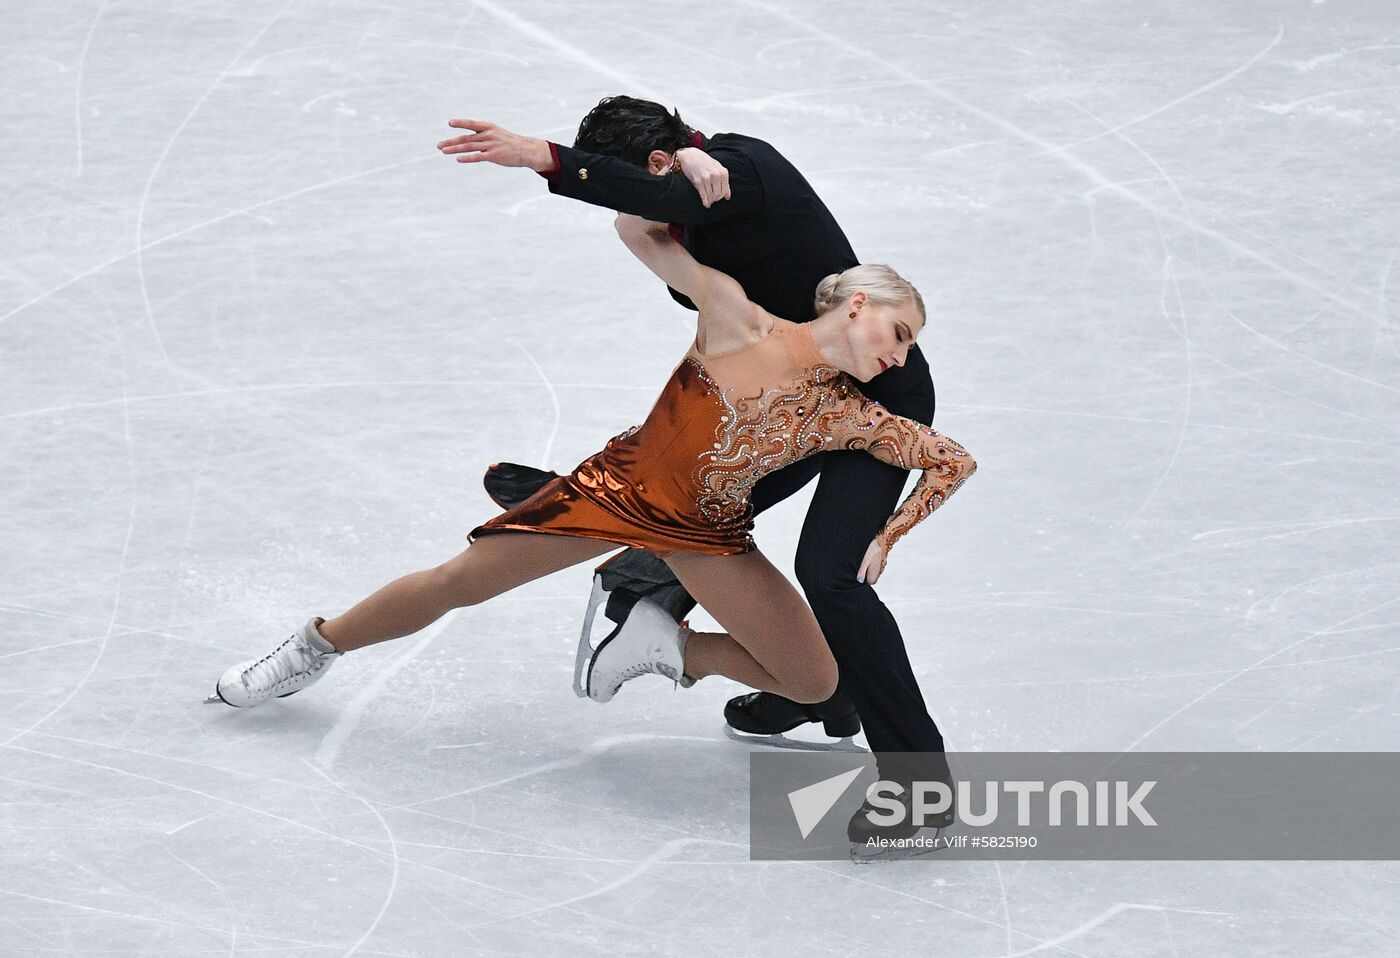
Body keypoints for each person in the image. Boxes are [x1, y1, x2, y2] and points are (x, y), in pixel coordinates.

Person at [207, 213, 977, 803]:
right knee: (457, 583)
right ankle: (313, 647)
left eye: (908, 349)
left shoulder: (851, 416)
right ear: (859, 303)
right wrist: (680, 171)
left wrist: (895, 531)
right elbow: (634, 228)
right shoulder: (737, 318)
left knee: (812, 682)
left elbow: (953, 460)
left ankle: (669, 648)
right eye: (899, 333)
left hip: (705, 537)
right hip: (613, 492)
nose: (900, 357)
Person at [438, 99, 954, 797]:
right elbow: (637, 216)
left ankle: (923, 787)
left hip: (877, 398)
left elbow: (665, 197)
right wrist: (671, 169)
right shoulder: (684, 188)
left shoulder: (747, 170)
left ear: (657, 165)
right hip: (790, 405)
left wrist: (543, 155)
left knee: (828, 574)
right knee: (703, 499)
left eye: (642, 183)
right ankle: (815, 695)